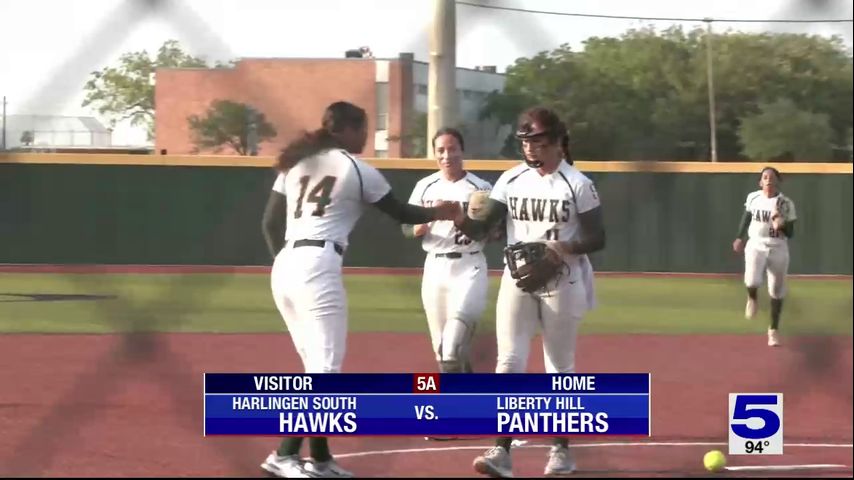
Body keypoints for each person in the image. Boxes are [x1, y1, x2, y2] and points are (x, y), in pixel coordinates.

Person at [259, 101, 461, 478]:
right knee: (325, 370)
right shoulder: (357, 168)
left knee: (315, 368)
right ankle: (283, 454)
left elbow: (269, 223)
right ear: (347, 130)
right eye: (363, 128)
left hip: (286, 264)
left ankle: (319, 459)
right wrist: (441, 211)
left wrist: (285, 264)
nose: (366, 136)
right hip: (318, 265)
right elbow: (401, 213)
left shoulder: (297, 162)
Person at [453, 107, 606, 478]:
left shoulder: (577, 183)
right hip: (518, 276)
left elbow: (597, 237)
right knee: (509, 361)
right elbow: (484, 229)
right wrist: (460, 217)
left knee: (559, 366)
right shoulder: (511, 180)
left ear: (556, 142)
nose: (530, 148)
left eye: (537, 141)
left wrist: (563, 249)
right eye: (525, 141)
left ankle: (561, 450)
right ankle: (502, 451)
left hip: (563, 280)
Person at [403, 127, 493, 375]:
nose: (446, 155)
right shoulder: (425, 186)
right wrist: (423, 223)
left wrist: (459, 218)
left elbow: (488, 232)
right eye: (440, 150)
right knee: (444, 354)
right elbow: (406, 228)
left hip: (469, 266)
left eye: (452, 149)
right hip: (435, 268)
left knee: (452, 345)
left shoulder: (480, 187)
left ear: (462, 151)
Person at [732, 166, 797, 347]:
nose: (768, 179)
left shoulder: (785, 203)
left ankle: (773, 330)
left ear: (777, 181)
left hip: (778, 247)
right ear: (760, 182)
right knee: (751, 280)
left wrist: (781, 225)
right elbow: (746, 218)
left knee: (776, 291)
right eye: (764, 176)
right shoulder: (753, 198)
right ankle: (752, 298)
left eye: (771, 176)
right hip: (756, 244)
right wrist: (739, 237)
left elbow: (790, 233)